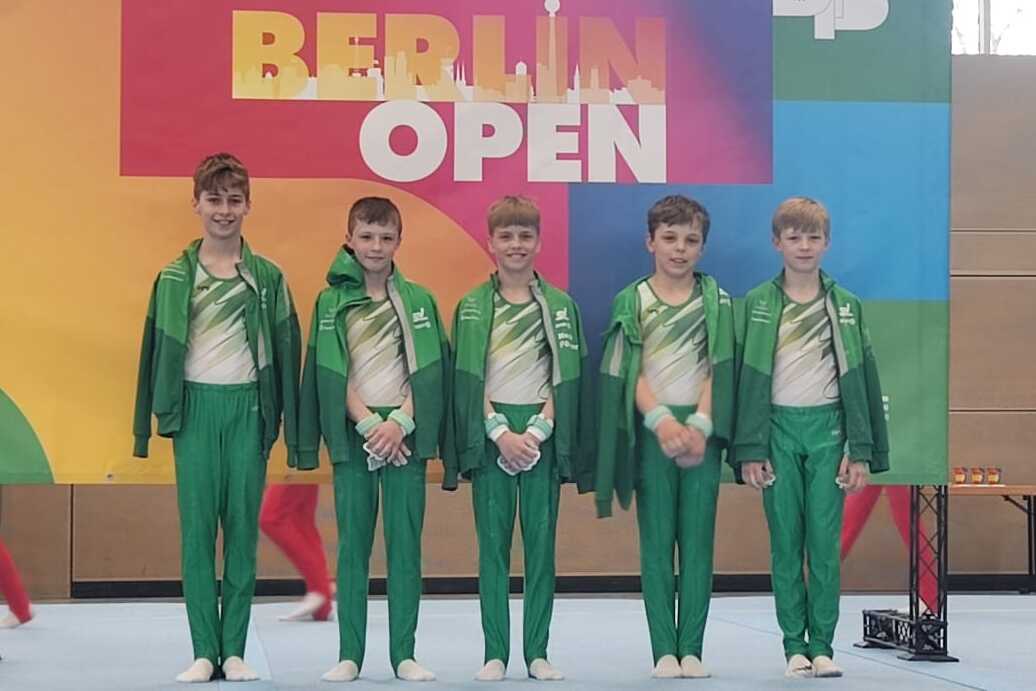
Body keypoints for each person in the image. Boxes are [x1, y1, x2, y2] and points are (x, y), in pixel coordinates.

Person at [133, 152, 302, 683]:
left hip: (248, 410)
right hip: (196, 410)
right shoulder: (173, 278)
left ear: (248, 205)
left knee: (242, 536)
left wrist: (286, 427)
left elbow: (287, 352)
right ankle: (204, 649)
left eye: (234, 200)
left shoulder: (269, 279)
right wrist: (149, 424)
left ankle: (235, 650)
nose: (224, 211)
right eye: (214, 200)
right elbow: (151, 354)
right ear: (196, 204)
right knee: (198, 534)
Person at [733, 196, 889, 678]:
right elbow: (745, 379)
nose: (804, 246)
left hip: (829, 432)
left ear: (827, 243)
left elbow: (863, 380)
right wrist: (750, 447)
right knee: (785, 543)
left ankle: (822, 645)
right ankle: (793, 646)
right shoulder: (758, 303)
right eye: (794, 237)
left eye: (813, 237)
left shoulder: (846, 306)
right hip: (777, 429)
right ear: (777, 242)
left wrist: (857, 449)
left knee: (823, 544)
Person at [298, 197, 450, 683]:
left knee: (405, 546)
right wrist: (366, 423)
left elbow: (431, 372)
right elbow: (328, 370)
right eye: (366, 236)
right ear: (349, 239)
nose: (376, 246)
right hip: (357, 434)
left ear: (399, 242)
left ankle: (404, 653)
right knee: (354, 547)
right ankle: (350, 654)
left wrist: (402, 422)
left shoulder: (420, 301)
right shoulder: (331, 302)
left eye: (386, 238)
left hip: (404, 434)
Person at [443, 195, 593, 682]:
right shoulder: (471, 307)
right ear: (490, 243)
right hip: (493, 434)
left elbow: (567, 375)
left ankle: (537, 652)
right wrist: (496, 430)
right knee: (492, 548)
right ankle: (494, 652)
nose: (515, 244)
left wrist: (541, 429)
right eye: (506, 236)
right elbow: (466, 377)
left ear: (539, 242)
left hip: (540, 433)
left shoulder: (560, 307)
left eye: (525, 236)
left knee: (541, 549)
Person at [594, 195, 735, 679]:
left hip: (702, 430)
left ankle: (692, 648)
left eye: (691, 240)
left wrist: (697, 425)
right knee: (656, 544)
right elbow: (625, 371)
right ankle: (662, 651)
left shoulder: (717, 302)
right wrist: (661, 422)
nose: (680, 249)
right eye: (670, 238)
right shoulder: (632, 301)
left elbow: (723, 367)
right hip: (653, 430)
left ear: (703, 247)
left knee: (697, 544)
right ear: (649, 241)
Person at [259, 484, 334, 621]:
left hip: (293, 464)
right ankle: (322, 599)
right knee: (301, 518)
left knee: (272, 518)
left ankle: (320, 588)